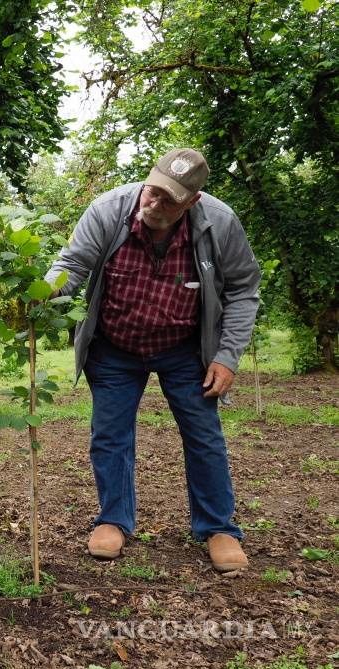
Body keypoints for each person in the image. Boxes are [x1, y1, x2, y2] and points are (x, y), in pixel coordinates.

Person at [45, 149, 261, 572]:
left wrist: (227, 357)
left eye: (170, 200)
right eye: (153, 192)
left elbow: (243, 289)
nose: (155, 205)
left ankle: (218, 528)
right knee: (110, 435)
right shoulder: (108, 211)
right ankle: (114, 520)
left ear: (192, 202)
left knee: (204, 435)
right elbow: (71, 264)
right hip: (114, 347)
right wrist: (43, 290)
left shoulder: (219, 222)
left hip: (184, 348)